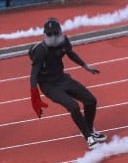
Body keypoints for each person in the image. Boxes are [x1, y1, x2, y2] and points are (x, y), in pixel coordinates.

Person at [29, 18, 105, 149]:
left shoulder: (64, 41)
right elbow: (34, 73)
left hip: (63, 79)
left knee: (91, 100)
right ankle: (88, 137)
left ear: (59, 32)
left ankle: (89, 129)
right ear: (45, 34)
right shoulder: (41, 50)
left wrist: (85, 66)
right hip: (49, 86)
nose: (52, 37)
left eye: (54, 33)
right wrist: (34, 95)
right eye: (49, 34)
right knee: (74, 106)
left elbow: (70, 53)